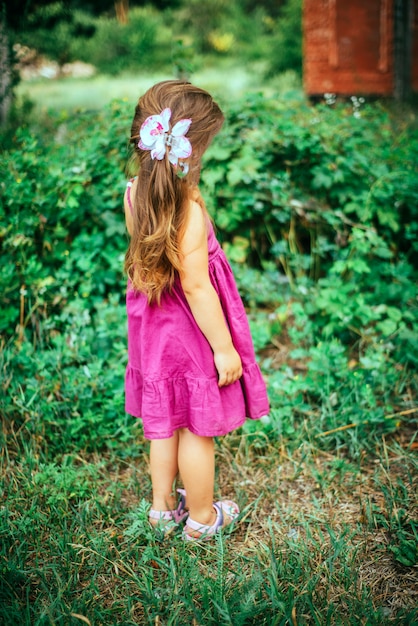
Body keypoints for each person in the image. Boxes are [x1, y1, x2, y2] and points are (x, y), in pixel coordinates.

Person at [123, 80, 269, 541]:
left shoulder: (133, 192)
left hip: (152, 329)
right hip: (189, 333)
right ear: (191, 148)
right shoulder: (188, 211)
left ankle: (162, 510)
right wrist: (224, 349)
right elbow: (197, 286)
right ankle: (203, 518)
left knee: (163, 423)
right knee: (195, 431)